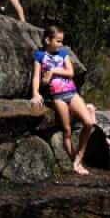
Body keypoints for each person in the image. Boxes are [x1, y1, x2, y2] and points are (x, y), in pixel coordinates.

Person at [31, 26, 95, 175]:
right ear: (48, 40)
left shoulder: (63, 53)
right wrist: (35, 93)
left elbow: (70, 72)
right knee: (67, 130)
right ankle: (75, 163)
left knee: (88, 122)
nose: (61, 44)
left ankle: (79, 157)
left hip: (71, 93)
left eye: (62, 41)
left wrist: (53, 71)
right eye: (58, 41)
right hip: (57, 96)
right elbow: (36, 77)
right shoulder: (39, 55)